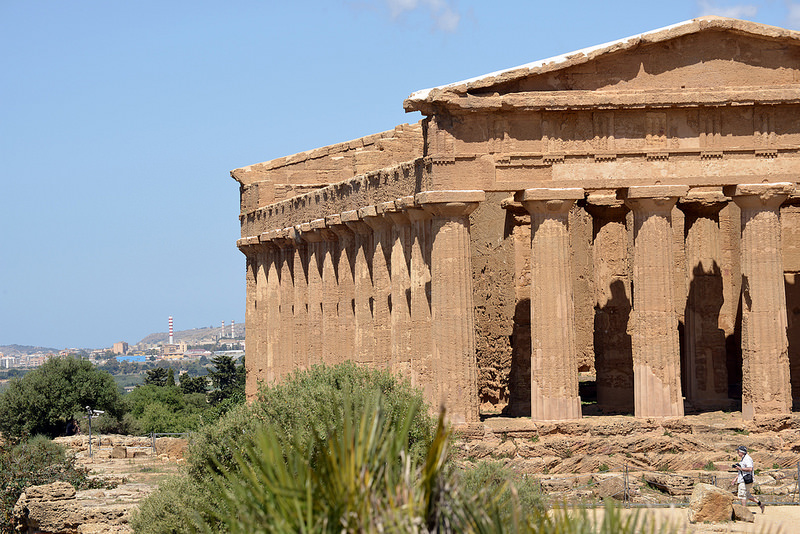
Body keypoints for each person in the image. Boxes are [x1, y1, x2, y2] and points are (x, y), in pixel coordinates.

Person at [731, 445, 765, 513]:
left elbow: (750, 469)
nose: (737, 453)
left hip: (745, 480)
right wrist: (735, 479)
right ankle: (760, 504)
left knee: (742, 495)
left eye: (738, 451)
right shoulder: (744, 458)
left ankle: (744, 511)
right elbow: (742, 471)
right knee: (747, 495)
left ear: (741, 452)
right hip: (743, 479)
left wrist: (739, 468)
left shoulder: (747, 459)